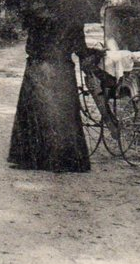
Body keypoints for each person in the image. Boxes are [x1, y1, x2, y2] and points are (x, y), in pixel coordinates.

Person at [8, 18, 99, 172]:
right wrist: (94, 54)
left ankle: (31, 158)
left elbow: (29, 46)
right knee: (62, 113)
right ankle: (63, 159)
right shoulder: (71, 15)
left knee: (35, 111)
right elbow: (80, 49)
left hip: (37, 68)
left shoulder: (37, 14)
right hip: (61, 70)